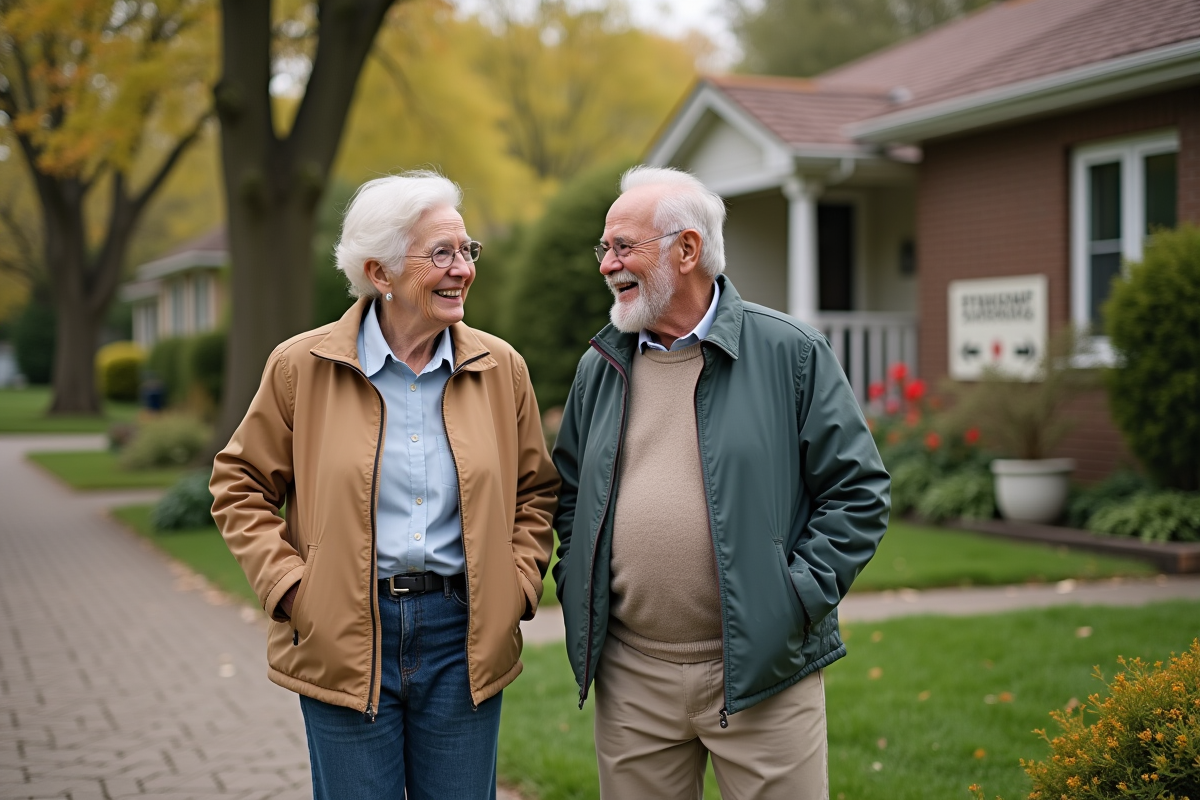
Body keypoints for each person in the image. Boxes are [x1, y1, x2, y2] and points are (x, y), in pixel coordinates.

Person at [210, 172, 559, 799]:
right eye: (442, 254)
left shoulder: (501, 369)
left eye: (467, 250)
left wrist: (520, 583)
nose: (463, 269)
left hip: (463, 635)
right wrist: (292, 589)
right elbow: (239, 484)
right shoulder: (301, 367)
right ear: (381, 274)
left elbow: (535, 492)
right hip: (344, 631)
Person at [552, 166, 890, 799]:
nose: (606, 264)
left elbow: (858, 491)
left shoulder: (789, 351)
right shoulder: (600, 366)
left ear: (687, 249)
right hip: (632, 675)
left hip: (764, 671)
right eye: (605, 248)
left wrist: (794, 601)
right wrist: (578, 575)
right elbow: (569, 492)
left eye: (624, 247)